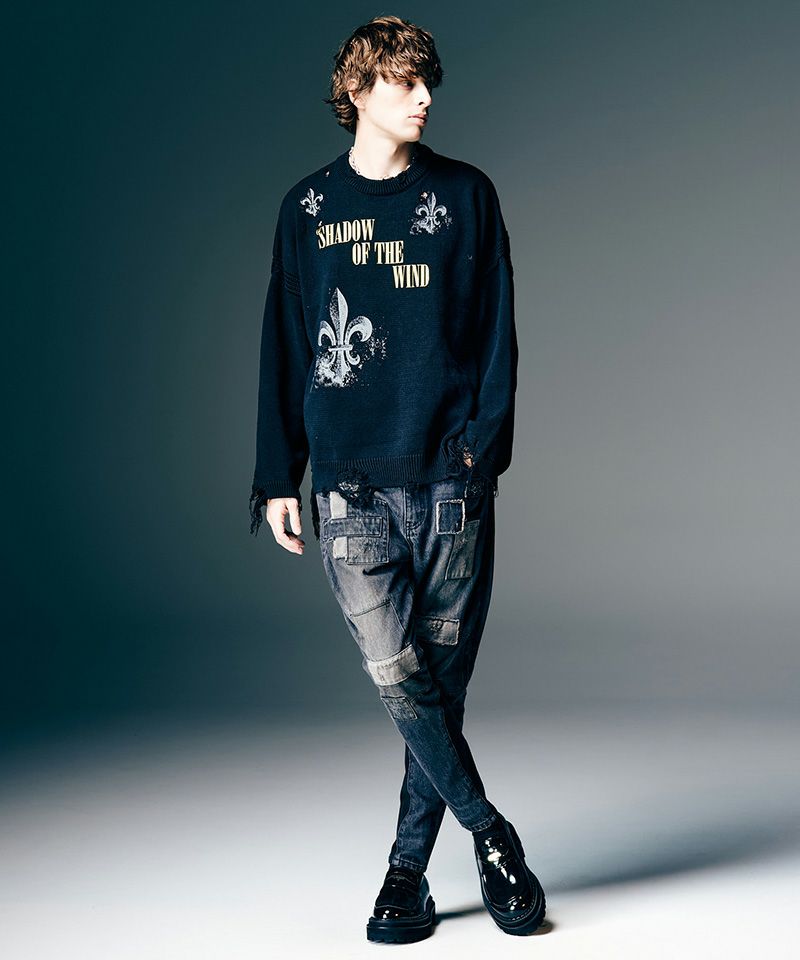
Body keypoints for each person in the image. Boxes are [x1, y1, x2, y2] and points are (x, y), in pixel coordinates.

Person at [248, 14, 546, 943]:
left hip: (451, 482)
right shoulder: (306, 210)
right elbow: (286, 343)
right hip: (349, 486)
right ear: (359, 90)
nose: (424, 97)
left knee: (437, 686)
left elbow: (496, 333)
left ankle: (405, 875)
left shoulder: (465, 197)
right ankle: (491, 835)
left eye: (427, 81)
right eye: (405, 81)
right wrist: (277, 474)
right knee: (402, 678)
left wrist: (481, 450)